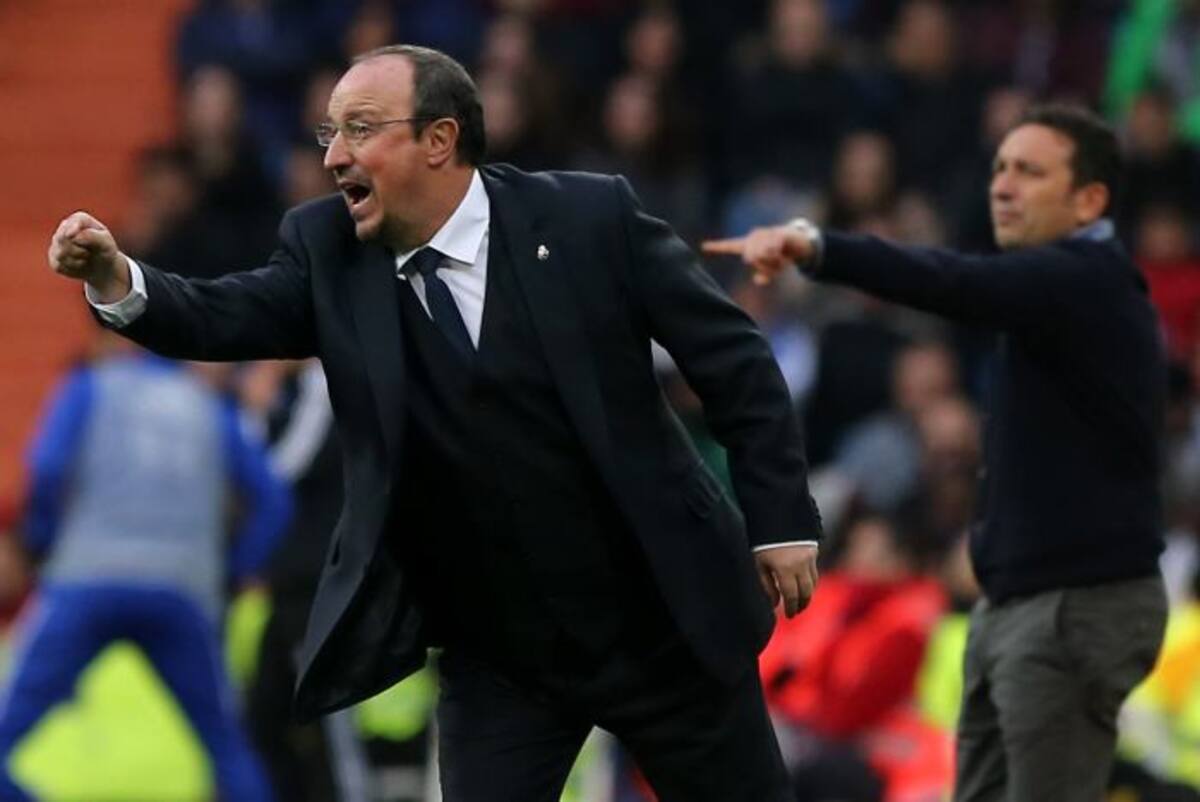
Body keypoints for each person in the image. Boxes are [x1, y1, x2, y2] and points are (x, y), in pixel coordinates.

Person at [46, 45, 822, 802]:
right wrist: (119, 278)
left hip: (663, 620)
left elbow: (735, 362)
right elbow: (221, 316)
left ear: (439, 139)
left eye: (359, 129)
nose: (332, 158)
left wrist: (781, 519)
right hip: (504, 655)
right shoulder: (328, 253)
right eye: (328, 134)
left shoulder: (589, 216)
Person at [704, 103, 1169, 802]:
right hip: (1017, 603)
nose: (1003, 186)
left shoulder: (1087, 279)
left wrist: (819, 246)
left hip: (1075, 607)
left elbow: (953, 281)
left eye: (1030, 172)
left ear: (1089, 200)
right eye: (1001, 168)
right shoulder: (1053, 292)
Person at [3, 336, 291, 802]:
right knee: (226, 747)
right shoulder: (208, 407)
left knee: (6, 732)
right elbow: (273, 499)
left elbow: (50, 467)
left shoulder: (91, 387)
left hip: (87, 579)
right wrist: (235, 571)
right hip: (182, 589)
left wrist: (42, 540)